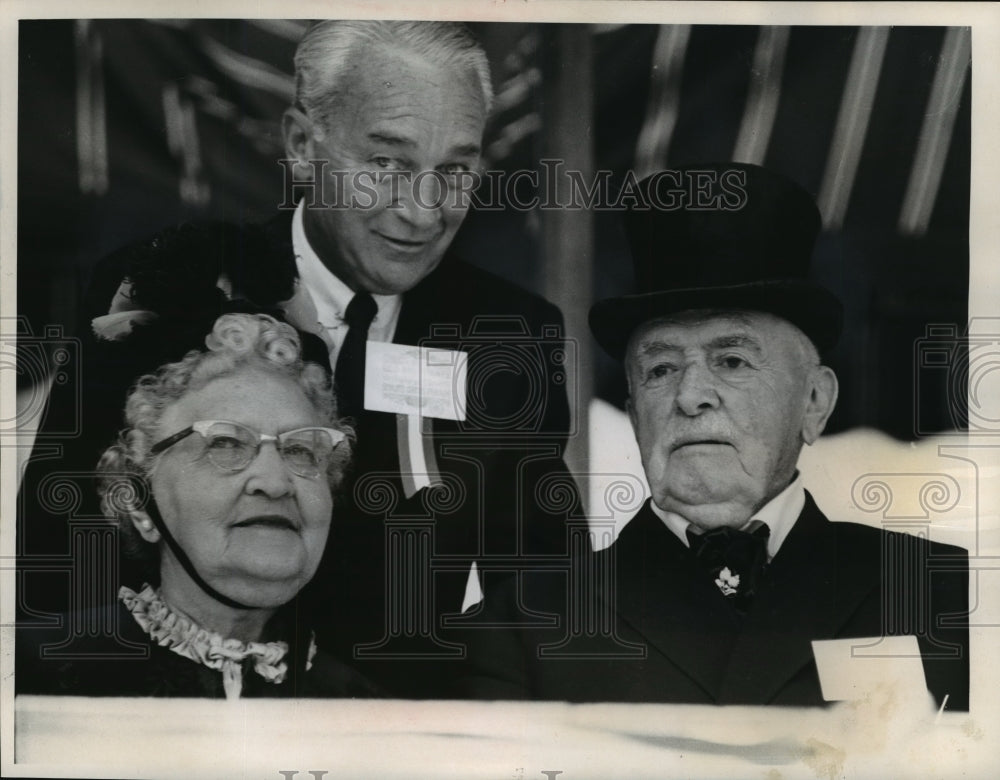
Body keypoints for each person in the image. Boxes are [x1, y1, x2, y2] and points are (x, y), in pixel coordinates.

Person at [17, 20, 578, 698]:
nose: (423, 212)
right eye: (388, 164)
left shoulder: (508, 335)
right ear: (303, 145)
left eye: (454, 170)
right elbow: (56, 550)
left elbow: (539, 593)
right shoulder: (170, 282)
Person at [460, 163, 970, 709]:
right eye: (661, 369)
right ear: (635, 417)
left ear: (814, 403)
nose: (690, 395)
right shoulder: (519, 625)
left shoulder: (947, 593)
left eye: (732, 359)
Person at [16, 313, 380, 699]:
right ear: (138, 502)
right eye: (225, 443)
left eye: (301, 449)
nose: (275, 483)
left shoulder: (367, 710)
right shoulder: (30, 676)